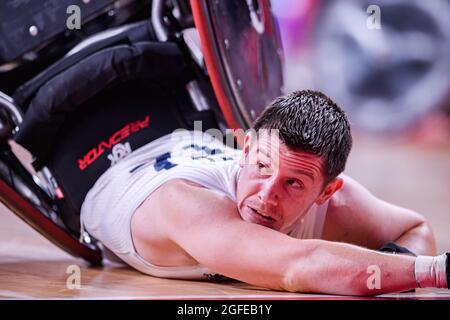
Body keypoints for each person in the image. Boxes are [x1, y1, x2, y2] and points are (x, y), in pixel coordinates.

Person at [80, 90, 449, 295]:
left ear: (326, 192)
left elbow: (415, 229)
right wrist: (435, 272)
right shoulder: (186, 201)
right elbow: (295, 268)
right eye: (261, 168)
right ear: (245, 151)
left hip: (189, 142)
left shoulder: (342, 202)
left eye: (293, 184)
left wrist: (397, 276)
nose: (267, 196)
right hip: (94, 163)